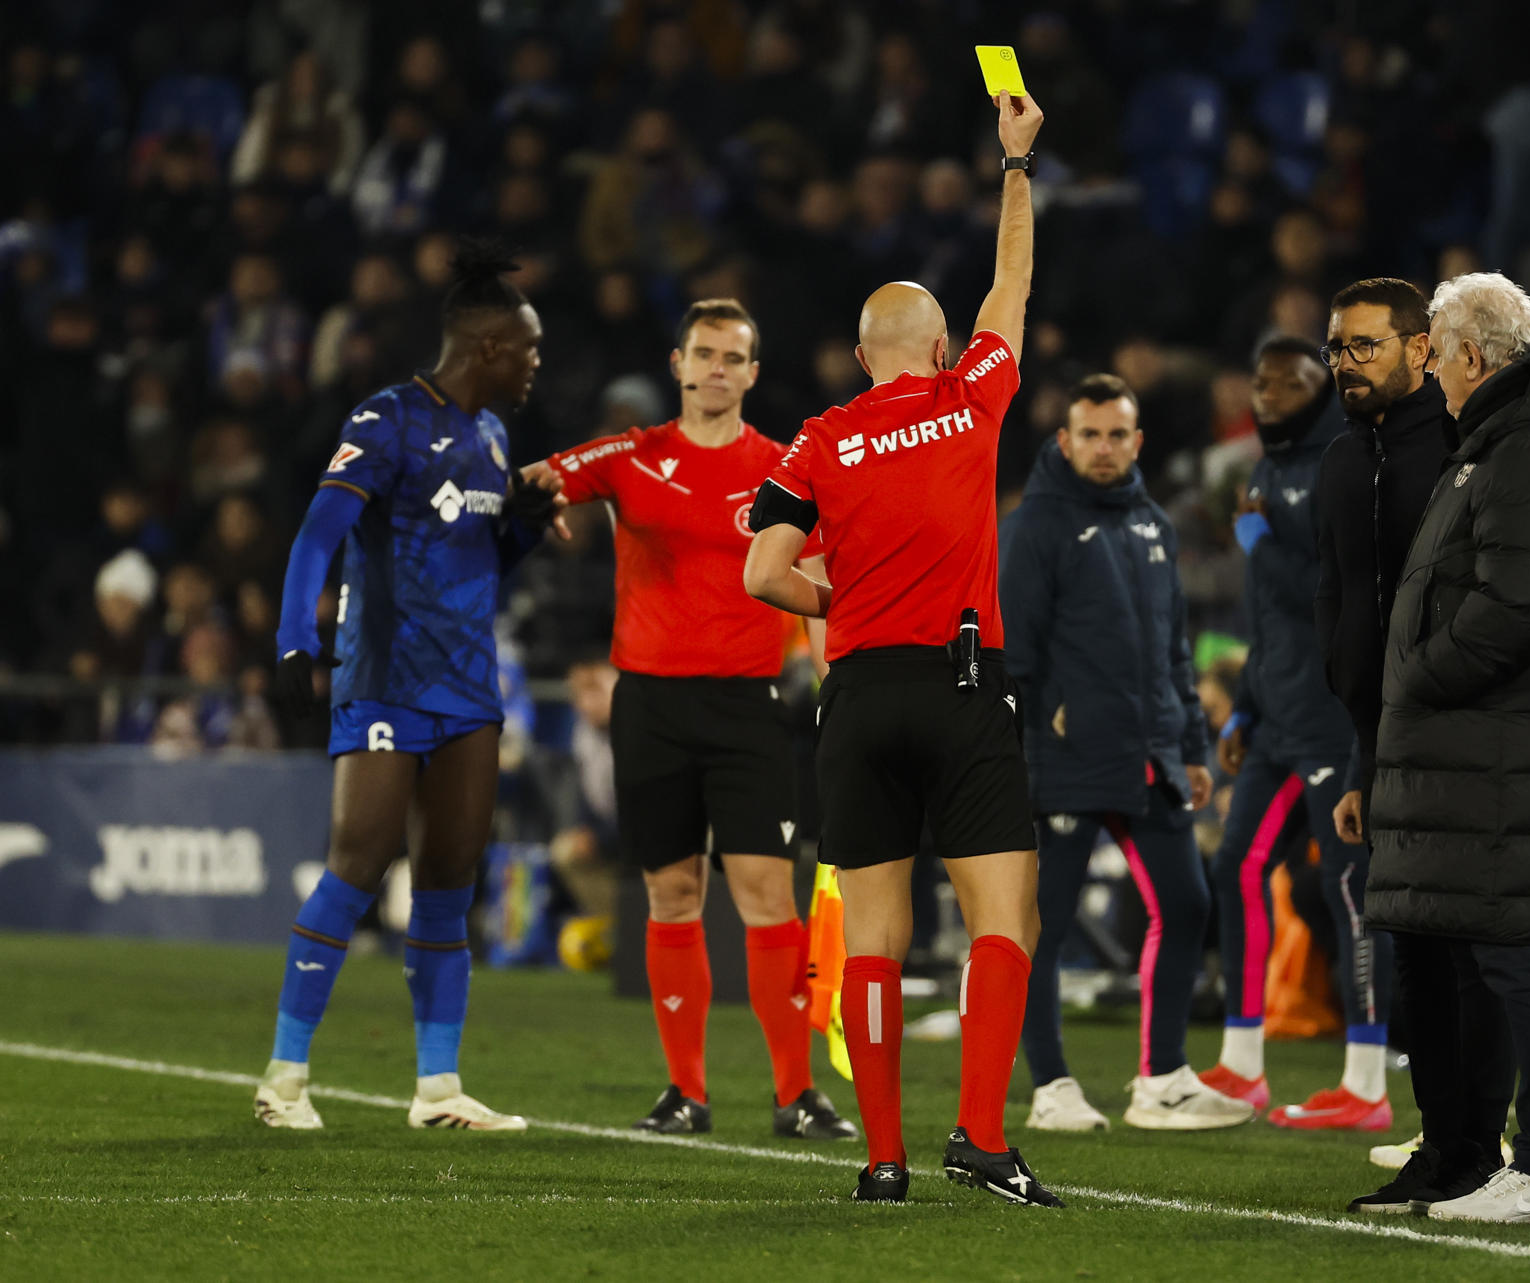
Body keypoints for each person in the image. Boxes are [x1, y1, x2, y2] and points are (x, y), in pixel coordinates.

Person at [742, 89, 1054, 1206]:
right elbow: (1012, 284)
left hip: (859, 693)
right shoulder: (971, 396)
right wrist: (1014, 165)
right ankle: (982, 1136)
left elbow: (762, 572)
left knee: (873, 933)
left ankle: (883, 1159)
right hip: (962, 684)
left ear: (861, 355)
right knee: (1002, 916)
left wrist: (840, 596)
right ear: (938, 346)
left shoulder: (817, 439)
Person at [525, 298, 854, 1141]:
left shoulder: (784, 467)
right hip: (651, 705)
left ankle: (796, 1093)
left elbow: (819, 578)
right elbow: (538, 478)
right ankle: (685, 1091)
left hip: (747, 705)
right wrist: (536, 503)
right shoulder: (631, 454)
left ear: (752, 372)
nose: (716, 368)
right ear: (677, 364)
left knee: (766, 893)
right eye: (704, 353)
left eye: (732, 356)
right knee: (671, 894)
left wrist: (837, 687)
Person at [256, 240, 565, 1131]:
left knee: (449, 878)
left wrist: (526, 527)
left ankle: (437, 1086)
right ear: (488, 348)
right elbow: (318, 532)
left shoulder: (494, 437)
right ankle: (284, 1077)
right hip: (386, 678)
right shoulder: (388, 417)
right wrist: (295, 641)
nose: (536, 364)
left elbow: (482, 563)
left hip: (469, 685)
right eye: (529, 349)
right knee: (359, 862)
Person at [1355, 272, 1530, 1226]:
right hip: (1487, 750)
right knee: (1473, 954)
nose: (1430, 368)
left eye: (1436, 350)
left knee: (1525, 955)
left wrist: (1418, 677)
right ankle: (1479, 1157)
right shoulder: (1507, 440)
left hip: (1516, 749)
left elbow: (1519, 603)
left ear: (1472, 354)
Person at [1000, 373, 1251, 1134]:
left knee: (1187, 903)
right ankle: (1051, 1086)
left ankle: (1162, 1079)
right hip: (1067, 759)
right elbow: (1015, 652)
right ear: (1064, 440)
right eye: (1090, 434)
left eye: (1117, 435)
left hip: (1149, 754)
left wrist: (1191, 746)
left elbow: (1171, 650)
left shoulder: (1152, 523)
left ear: (1137, 442)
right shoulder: (1034, 524)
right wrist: (1042, 727)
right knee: (1043, 924)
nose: (1104, 448)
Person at [1199, 331, 1391, 1132]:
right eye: (1264, 381)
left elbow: (1331, 589)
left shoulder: (1345, 463)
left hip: (1326, 719)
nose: (1272, 393)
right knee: (1234, 869)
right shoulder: (1266, 471)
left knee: (1350, 892)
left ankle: (1368, 1084)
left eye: (1293, 380)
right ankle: (1243, 1064)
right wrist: (1244, 704)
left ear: (1324, 386)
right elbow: (1269, 618)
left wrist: (1258, 543)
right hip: (1275, 717)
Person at [1300, 279, 1456, 1147]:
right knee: (1416, 950)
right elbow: (1338, 594)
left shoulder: (1465, 445)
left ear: (1421, 348)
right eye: (1337, 348)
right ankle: (1444, 1137)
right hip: (1383, 743)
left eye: (1366, 345)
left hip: (1460, 734)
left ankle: (1492, 1139)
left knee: (1470, 948)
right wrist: (1363, 759)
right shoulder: (1340, 459)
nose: (1345, 364)